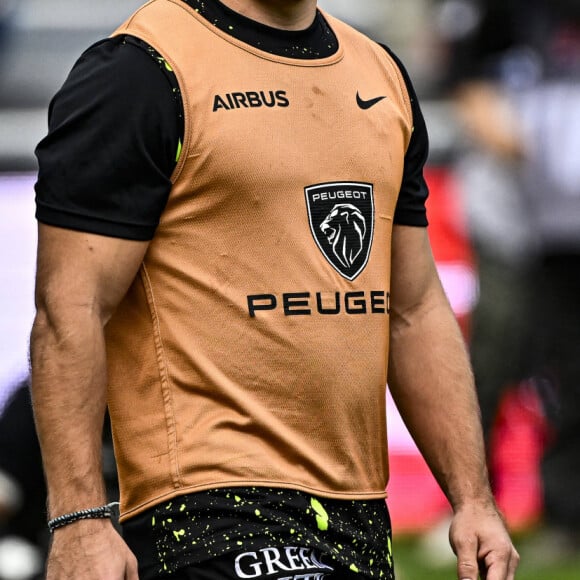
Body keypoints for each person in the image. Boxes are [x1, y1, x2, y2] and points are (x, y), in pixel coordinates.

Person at [29, 1, 519, 578]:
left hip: (358, 514)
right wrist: (79, 521)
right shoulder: (142, 68)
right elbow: (70, 310)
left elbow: (412, 309)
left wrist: (473, 501)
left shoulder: (378, 70)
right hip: (207, 512)